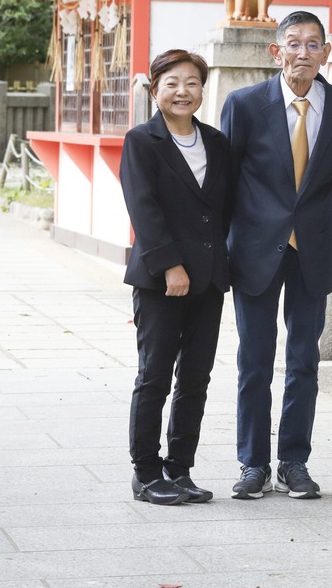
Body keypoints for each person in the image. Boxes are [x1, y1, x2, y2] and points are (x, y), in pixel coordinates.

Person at [220, 11, 332, 500]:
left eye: (313, 44)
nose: (303, 53)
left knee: (304, 362)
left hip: (313, 250)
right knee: (253, 361)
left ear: (326, 53)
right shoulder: (244, 104)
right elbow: (225, 182)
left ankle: (294, 461)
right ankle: (252, 463)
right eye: (293, 44)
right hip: (255, 249)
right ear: (276, 52)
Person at [119, 49, 232, 506]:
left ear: (202, 90)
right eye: (172, 83)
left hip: (208, 281)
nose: (183, 91)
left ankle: (179, 469)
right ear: (155, 89)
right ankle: (146, 473)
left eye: (192, 83)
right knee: (155, 377)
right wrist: (171, 265)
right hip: (161, 280)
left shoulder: (217, 143)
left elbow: (224, 209)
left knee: (197, 378)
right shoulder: (142, 141)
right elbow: (143, 209)